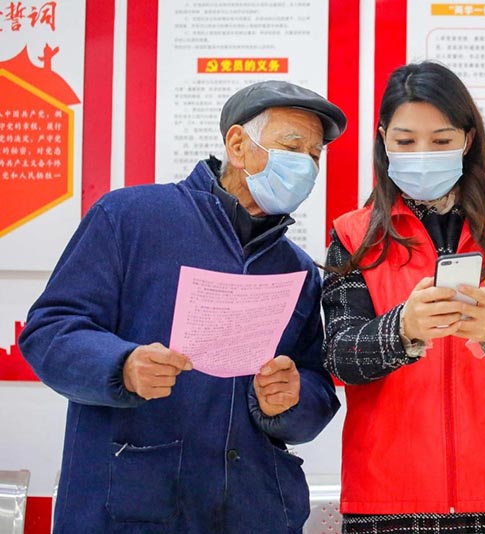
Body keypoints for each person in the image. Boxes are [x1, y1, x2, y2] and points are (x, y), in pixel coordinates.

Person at [19, 80, 345, 533]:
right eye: (292, 146)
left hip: (255, 511)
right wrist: (123, 365)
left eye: (315, 155)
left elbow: (316, 389)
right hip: (135, 509)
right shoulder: (130, 218)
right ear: (237, 144)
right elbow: (49, 330)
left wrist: (291, 400)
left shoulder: (298, 270)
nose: (306, 166)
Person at [322, 61, 485, 533]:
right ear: (382, 141)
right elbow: (338, 357)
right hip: (387, 500)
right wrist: (402, 330)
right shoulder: (354, 237)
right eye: (405, 141)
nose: (422, 153)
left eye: (440, 141)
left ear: (468, 140)